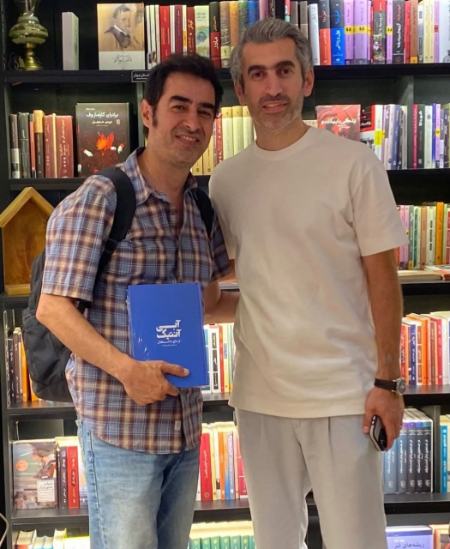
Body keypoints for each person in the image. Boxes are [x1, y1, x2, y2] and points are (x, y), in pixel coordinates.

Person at [209, 18, 407, 549]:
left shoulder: (354, 164)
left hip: (344, 394)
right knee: (274, 542)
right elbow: (251, 281)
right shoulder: (225, 180)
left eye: (284, 71)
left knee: (357, 542)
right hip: (259, 396)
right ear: (242, 89)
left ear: (307, 80)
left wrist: (388, 383)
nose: (272, 87)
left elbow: (383, 280)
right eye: (258, 74)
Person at [36, 54, 236, 549]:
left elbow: (209, 301)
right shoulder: (101, 199)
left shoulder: (201, 206)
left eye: (205, 111)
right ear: (148, 113)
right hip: (119, 433)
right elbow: (53, 308)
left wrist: (289, 311)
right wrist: (128, 371)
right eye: (179, 106)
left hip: (184, 431)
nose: (192, 122)